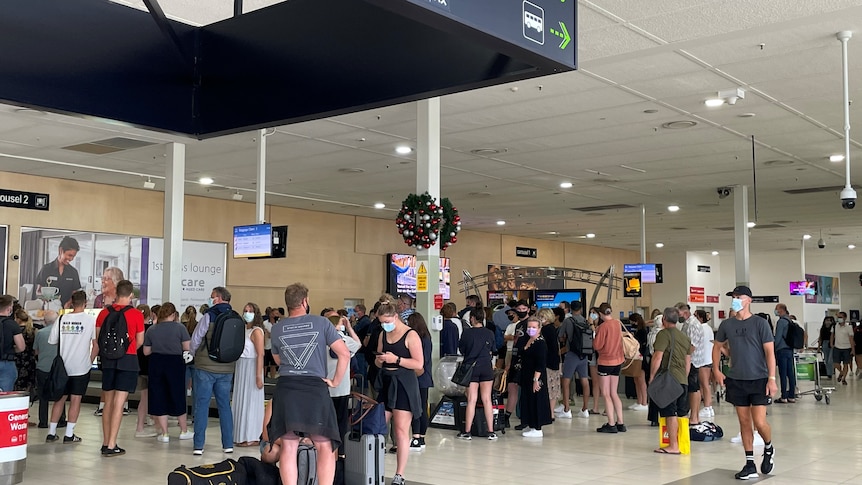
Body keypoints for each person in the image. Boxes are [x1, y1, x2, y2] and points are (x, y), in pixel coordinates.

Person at [270, 283, 349, 485]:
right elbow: (344, 353)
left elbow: (278, 360)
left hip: (287, 388)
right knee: (324, 444)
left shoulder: (277, 328)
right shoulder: (321, 323)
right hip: (314, 388)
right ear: (305, 301)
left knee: (288, 445)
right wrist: (335, 381)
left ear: (287, 304)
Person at [712, 286, 777, 480]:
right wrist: (716, 369)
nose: (735, 300)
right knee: (744, 421)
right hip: (736, 379)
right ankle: (749, 463)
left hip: (759, 378)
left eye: (738, 297)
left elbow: (770, 353)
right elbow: (717, 347)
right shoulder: (727, 325)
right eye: (733, 297)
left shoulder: (760, 323)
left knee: (759, 421)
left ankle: (769, 446)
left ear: (749, 300)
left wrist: (772, 379)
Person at [94, 280, 145, 457]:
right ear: (131, 295)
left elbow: (98, 339)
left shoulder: (103, 313)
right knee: (119, 403)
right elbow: (139, 341)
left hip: (107, 361)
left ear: (116, 293)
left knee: (108, 402)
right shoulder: (136, 314)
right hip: (127, 360)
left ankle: (105, 442)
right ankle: (112, 444)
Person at [374, 302, 423, 485]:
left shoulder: (411, 335)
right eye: (381, 322)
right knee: (378, 426)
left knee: (401, 429)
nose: (384, 325)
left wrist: (397, 359)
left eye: (386, 321)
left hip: (404, 383)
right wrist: (380, 360)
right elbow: (378, 360)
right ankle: (374, 466)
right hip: (387, 381)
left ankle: (399, 474)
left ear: (395, 317)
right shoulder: (383, 334)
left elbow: (419, 364)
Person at [190, 286, 238, 455]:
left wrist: (194, 354)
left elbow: (196, 339)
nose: (210, 300)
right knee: (225, 406)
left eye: (212, 297)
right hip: (227, 368)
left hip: (205, 367)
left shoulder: (209, 316)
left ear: (218, 298)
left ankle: (198, 446)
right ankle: (228, 444)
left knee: (201, 405)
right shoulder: (236, 317)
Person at [46, 290, 96, 444]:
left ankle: (51, 432)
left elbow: (52, 341)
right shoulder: (90, 321)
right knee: (76, 400)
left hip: (62, 367)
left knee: (59, 400)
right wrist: (90, 360)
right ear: (85, 303)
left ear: (71, 302)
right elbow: (96, 345)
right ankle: (69, 434)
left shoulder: (61, 319)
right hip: (81, 367)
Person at [143, 302, 193, 442]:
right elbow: (187, 347)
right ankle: (183, 431)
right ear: (173, 314)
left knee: (159, 396)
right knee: (177, 395)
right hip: (175, 364)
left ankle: (164, 434)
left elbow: (146, 351)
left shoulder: (152, 330)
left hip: (156, 363)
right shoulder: (180, 328)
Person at [649, 307, 692, 455]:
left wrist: (652, 376)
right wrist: (684, 378)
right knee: (682, 413)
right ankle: (682, 444)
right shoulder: (684, 337)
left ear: (664, 319)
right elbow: (688, 362)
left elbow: (657, 357)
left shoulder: (664, 334)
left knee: (670, 413)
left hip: (669, 379)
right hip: (682, 380)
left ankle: (673, 446)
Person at [323, 309, 361, 459]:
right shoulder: (344, 340)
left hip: (325, 388)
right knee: (341, 422)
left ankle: (327, 451)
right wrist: (350, 327)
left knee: (326, 421)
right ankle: (341, 452)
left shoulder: (322, 340)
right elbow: (358, 344)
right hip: (342, 388)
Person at [455, 307, 496, 441]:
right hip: (486, 367)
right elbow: (493, 349)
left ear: (472, 318)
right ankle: (491, 431)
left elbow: (462, 349)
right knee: (487, 399)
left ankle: (467, 432)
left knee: (471, 400)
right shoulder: (489, 333)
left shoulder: (467, 333)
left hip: (471, 368)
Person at [231, 303, 266, 447]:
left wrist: (258, 375)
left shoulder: (257, 331)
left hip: (252, 367)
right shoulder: (243, 329)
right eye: (245, 310)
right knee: (241, 399)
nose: (247, 313)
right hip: (241, 366)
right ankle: (240, 434)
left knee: (250, 401)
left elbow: (260, 354)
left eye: (250, 311)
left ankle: (252, 435)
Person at [593, 303, 625, 433]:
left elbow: (597, 345)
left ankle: (611, 423)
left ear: (600, 314)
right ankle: (620, 422)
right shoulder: (617, 323)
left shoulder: (602, 327)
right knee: (614, 393)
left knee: (605, 393)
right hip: (618, 361)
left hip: (606, 362)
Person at [557, 303, 590, 419]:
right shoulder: (586, 321)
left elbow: (560, 336)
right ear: (581, 309)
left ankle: (567, 410)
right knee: (584, 381)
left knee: (566, 381)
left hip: (571, 354)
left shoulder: (568, 321)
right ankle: (585, 409)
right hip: (584, 355)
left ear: (570, 309)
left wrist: (566, 338)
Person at [406, 312, 434, 450]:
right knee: (422, 407)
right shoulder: (427, 338)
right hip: (425, 377)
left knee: (416, 408)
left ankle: (416, 437)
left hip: (418, 377)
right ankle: (421, 437)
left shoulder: (417, 339)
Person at [33, 310, 65, 428]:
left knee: (43, 396)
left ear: (45, 321)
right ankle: (61, 419)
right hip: (58, 369)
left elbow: (36, 351)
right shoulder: (62, 333)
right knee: (61, 394)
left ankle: (43, 421)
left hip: (43, 367)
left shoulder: (40, 333)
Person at [675, 303, 705, 426]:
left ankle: (694, 417)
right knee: (695, 388)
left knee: (693, 389)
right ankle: (695, 416)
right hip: (692, 360)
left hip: (692, 361)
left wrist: (683, 358)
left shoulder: (692, 325)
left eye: (678, 314)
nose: (677, 317)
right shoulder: (687, 324)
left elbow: (691, 346)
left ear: (685, 312)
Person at [33, 236, 82, 308]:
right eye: (69, 255)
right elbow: (38, 291)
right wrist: (44, 298)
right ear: (61, 250)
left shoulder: (73, 272)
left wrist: (69, 303)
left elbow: (75, 293)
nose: (71, 259)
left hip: (66, 311)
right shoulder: (46, 269)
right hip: (49, 310)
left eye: (73, 256)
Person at [504, 300, 530, 429]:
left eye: (523, 308)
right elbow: (515, 341)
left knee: (523, 390)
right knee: (511, 387)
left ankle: (525, 419)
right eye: (518, 309)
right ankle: (507, 416)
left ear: (528, 309)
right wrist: (510, 362)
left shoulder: (531, 324)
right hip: (515, 359)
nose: (521, 311)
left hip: (525, 360)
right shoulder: (518, 325)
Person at [134, 304, 155, 438]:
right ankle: (149, 423)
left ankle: (140, 425)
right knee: (151, 398)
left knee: (144, 398)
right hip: (152, 367)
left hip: (139, 367)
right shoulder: (152, 330)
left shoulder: (135, 330)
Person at [537, 308, 561, 419]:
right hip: (554, 361)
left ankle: (549, 413)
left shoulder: (546, 330)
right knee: (553, 387)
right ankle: (550, 413)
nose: (541, 319)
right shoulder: (552, 329)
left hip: (548, 362)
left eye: (542, 317)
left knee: (550, 388)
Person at [0, 296, 25, 392]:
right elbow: (21, 347)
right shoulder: (12, 324)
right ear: (9, 308)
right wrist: (12, 349)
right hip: (7, 362)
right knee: (5, 396)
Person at [773, 303, 796, 403]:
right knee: (790, 373)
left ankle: (784, 396)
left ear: (781, 310)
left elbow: (777, 338)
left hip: (782, 350)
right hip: (790, 349)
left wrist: (773, 348)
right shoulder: (790, 320)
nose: (775, 311)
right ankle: (791, 395)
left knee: (782, 374)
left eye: (776, 309)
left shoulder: (781, 322)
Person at [695, 310, 715, 418]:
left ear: (701, 318)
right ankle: (709, 407)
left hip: (702, 360)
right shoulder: (708, 328)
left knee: (704, 384)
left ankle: (707, 407)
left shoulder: (700, 328)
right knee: (705, 384)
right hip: (708, 358)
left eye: (695, 316)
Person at [13, 308, 37, 397]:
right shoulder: (33, 331)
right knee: (27, 385)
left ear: (18, 319)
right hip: (30, 360)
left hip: (17, 360)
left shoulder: (15, 331)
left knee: (16, 384)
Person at [628, 313, 649, 412]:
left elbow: (642, 345)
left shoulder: (642, 331)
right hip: (635, 356)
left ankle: (644, 402)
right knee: (636, 380)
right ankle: (639, 401)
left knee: (641, 380)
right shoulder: (637, 330)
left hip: (641, 357)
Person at [831, 312, 854, 384]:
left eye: (841, 317)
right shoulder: (835, 326)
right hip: (837, 347)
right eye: (839, 317)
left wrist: (853, 349)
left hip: (847, 348)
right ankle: (841, 372)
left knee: (845, 364)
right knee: (836, 364)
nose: (839, 319)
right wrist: (831, 343)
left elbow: (851, 339)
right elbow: (832, 335)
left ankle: (844, 379)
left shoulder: (849, 327)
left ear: (845, 318)